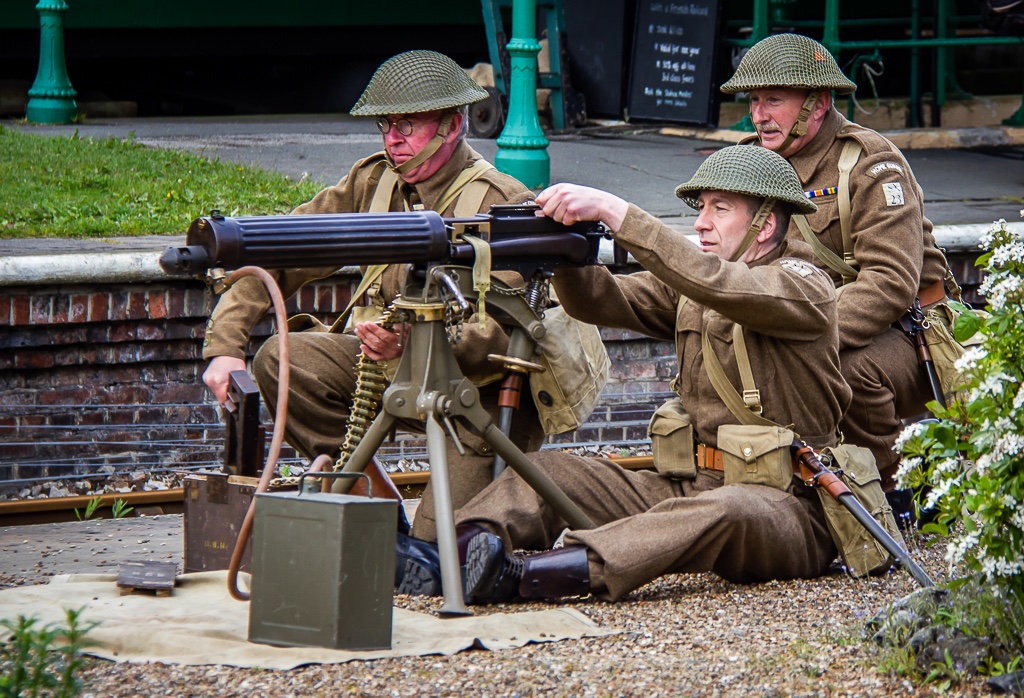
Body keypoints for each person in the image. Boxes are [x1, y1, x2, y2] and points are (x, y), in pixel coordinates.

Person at [401, 145, 851, 604]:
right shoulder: (698, 289)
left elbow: (720, 283)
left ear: (766, 224)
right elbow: (602, 301)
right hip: (693, 484)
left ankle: (529, 576)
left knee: (727, 509)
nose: (700, 222)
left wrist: (618, 214)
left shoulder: (804, 286)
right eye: (702, 208)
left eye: (720, 208)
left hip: (791, 504)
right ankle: (447, 559)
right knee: (543, 472)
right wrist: (562, 251)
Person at [199, 50, 546, 556]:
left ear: (452, 125)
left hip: (478, 403)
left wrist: (413, 346)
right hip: (386, 372)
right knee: (282, 358)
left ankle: (477, 520)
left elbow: (504, 334)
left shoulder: (503, 203)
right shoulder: (374, 181)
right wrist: (225, 343)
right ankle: (370, 501)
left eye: (408, 124)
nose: (392, 138)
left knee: (439, 554)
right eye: (385, 124)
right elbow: (285, 249)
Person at [720, 33, 958, 497]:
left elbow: (889, 285)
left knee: (848, 370)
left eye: (774, 100)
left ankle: (891, 490)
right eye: (753, 100)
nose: (758, 115)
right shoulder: (750, 164)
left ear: (819, 103)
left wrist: (806, 332)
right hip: (803, 321)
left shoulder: (871, 164)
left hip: (906, 333)